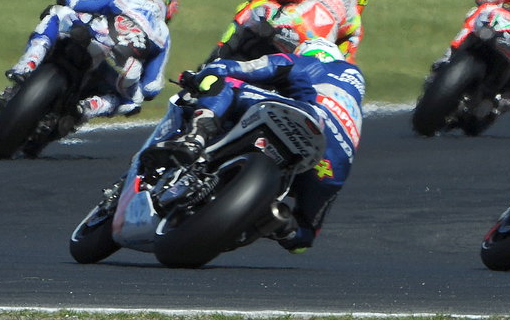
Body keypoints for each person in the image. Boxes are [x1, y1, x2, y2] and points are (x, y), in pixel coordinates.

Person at [146, 38, 365, 253]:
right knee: (305, 228)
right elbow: (305, 241)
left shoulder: (319, 64)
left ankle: (196, 136)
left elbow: (278, 66)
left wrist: (218, 68)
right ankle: (279, 223)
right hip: (334, 161)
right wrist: (291, 233)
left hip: (304, 115)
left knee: (225, 82)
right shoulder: (354, 106)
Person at [5, 0, 178, 120]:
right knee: (132, 101)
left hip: (95, 36)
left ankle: (28, 64)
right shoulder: (164, 34)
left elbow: (75, 1)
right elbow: (152, 86)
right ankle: (90, 107)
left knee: (57, 13)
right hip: (119, 65)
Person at [212, 0, 367, 63]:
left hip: (287, 27)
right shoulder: (355, 25)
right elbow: (345, 61)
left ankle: (220, 53)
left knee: (252, 5)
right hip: (311, 53)